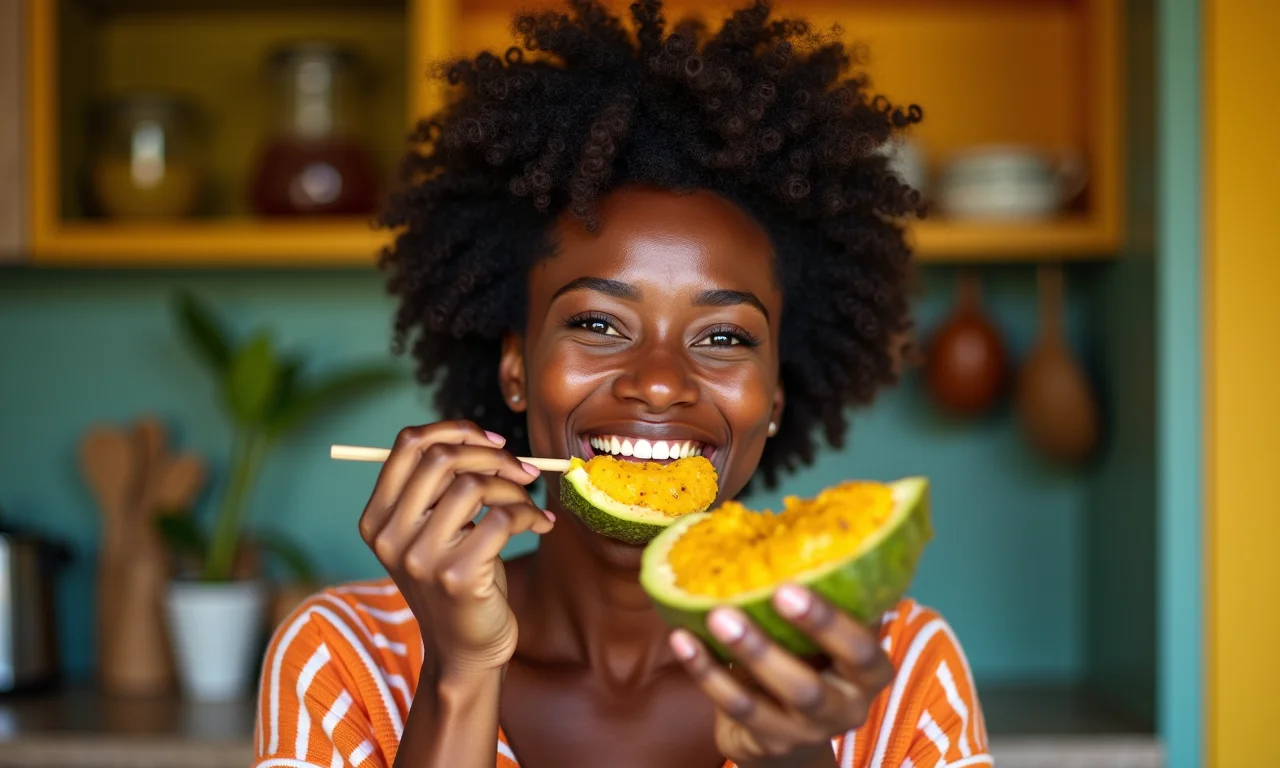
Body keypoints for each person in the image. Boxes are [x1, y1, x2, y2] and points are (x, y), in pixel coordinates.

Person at [252, 1, 990, 766]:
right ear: (515, 367)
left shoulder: (893, 666)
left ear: (773, 401)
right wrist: (460, 675)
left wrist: (797, 756)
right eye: (599, 325)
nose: (661, 384)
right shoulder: (343, 654)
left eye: (724, 337)